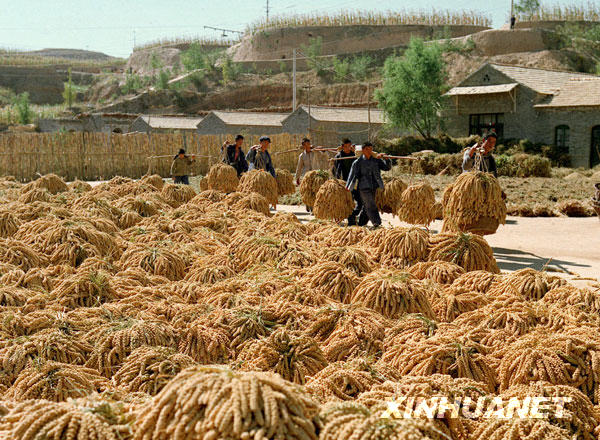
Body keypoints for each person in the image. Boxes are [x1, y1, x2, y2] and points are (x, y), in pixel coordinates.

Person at [345, 142, 391, 228]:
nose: (369, 151)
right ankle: (377, 222)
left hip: (374, 186)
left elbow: (386, 168)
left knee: (367, 206)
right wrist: (348, 186)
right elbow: (352, 174)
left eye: (371, 149)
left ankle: (360, 222)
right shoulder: (358, 162)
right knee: (370, 204)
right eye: (367, 149)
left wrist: (387, 159)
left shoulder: (376, 160)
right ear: (363, 150)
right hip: (363, 187)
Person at [333, 138, 362, 226]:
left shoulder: (354, 155)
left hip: (355, 181)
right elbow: (335, 170)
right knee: (349, 201)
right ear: (342, 147)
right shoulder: (339, 156)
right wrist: (337, 181)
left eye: (350, 146)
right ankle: (351, 221)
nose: (348, 148)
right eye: (346, 146)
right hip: (345, 182)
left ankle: (353, 215)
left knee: (360, 201)